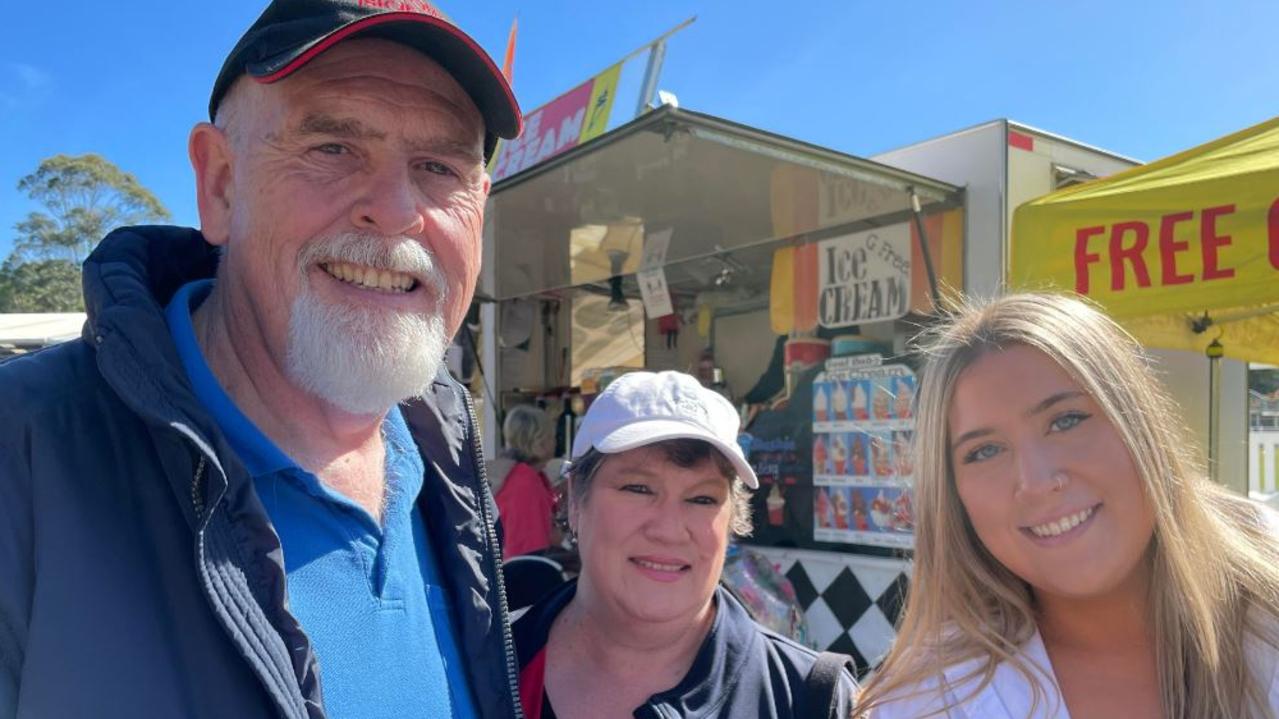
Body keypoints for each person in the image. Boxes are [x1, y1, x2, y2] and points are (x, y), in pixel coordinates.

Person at [0, 1, 525, 717]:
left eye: (438, 166)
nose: (398, 209)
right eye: (333, 147)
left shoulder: (450, 469)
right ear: (219, 183)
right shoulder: (24, 454)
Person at [856, 293, 1279, 718]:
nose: (1036, 482)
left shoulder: (1267, 594)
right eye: (985, 451)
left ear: (1140, 424)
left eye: (1066, 421)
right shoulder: (926, 702)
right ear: (953, 498)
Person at [512, 370, 857, 718]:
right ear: (573, 501)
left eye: (702, 499)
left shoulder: (807, 699)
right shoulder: (479, 664)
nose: (670, 530)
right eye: (638, 488)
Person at [492, 404, 560, 558]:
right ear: (540, 442)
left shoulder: (527, 475)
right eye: (552, 436)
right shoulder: (525, 484)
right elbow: (528, 553)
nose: (555, 442)